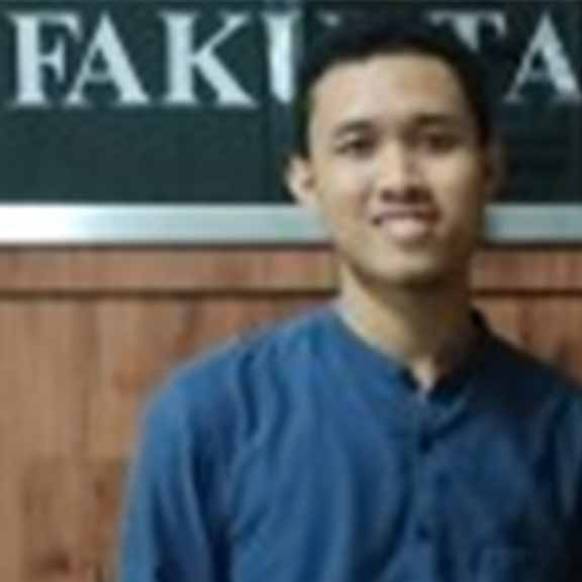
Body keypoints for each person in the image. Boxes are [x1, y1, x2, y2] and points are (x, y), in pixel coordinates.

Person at [118, 16, 582, 582]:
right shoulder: (209, 421)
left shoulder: (564, 431)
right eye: (358, 146)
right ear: (305, 181)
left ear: (489, 169)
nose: (400, 180)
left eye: (437, 142)